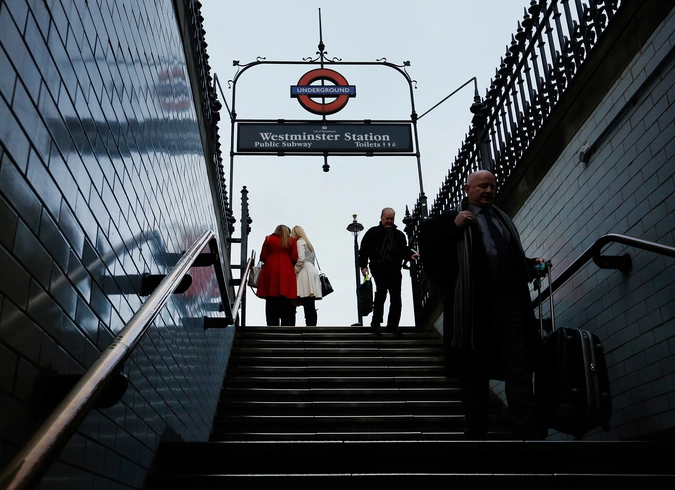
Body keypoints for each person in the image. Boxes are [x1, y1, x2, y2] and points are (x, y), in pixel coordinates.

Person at [419, 170, 546, 440]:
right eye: (482, 186)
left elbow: (507, 256)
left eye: (492, 186)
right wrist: (455, 227)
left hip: (510, 303)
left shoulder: (502, 220)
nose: (488, 191)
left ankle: (528, 429)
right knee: (474, 369)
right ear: (467, 189)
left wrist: (529, 264)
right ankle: (477, 430)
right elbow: (432, 254)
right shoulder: (451, 219)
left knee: (518, 366)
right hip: (473, 308)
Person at [358, 207, 419, 334]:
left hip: (394, 268)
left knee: (396, 296)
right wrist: (363, 266)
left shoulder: (399, 235)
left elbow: (403, 249)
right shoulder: (372, 232)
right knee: (381, 293)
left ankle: (393, 324)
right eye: (387, 219)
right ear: (381, 218)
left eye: (391, 219)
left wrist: (409, 255)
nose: (389, 221)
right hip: (378, 267)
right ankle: (376, 322)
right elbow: (363, 251)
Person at [258, 225, 298, 326]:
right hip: (286, 270)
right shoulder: (292, 241)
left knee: (271, 297)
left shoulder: (268, 239)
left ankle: (272, 324)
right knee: (285, 297)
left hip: (270, 269)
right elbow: (294, 257)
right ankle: (286, 324)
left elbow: (263, 257)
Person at [291, 225, 322, 326]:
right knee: (310, 303)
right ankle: (312, 325)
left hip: (304, 272)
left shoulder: (300, 242)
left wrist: (294, 270)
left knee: (305, 299)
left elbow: (301, 258)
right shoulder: (309, 244)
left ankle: (309, 325)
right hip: (312, 270)